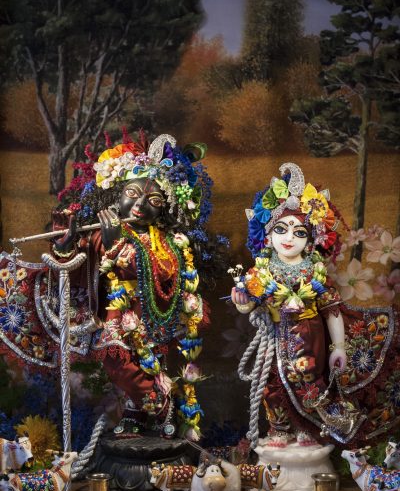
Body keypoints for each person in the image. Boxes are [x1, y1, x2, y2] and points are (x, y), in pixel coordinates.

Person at [48, 132, 214, 440]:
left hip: (153, 313)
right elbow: (76, 271)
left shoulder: (166, 240)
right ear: (117, 196)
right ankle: (160, 406)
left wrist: (118, 243)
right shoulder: (102, 232)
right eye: (132, 193)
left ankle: (144, 411)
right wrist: (64, 242)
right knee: (117, 362)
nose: (139, 204)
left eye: (153, 201)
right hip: (115, 313)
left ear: (163, 209)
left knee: (149, 363)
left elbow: (165, 271)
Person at [230, 162, 399, 448]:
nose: (288, 238)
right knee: (271, 385)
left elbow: (332, 310)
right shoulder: (260, 272)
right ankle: (280, 429)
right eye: (281, 229)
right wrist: (242, 301)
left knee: (309, 378)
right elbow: (249, 305)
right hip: (273, 338)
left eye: (299, 232)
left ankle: (308, 428)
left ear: (311, 241)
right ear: (267, 235)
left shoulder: (314, 273)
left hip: (309, 336)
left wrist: (340, 347)